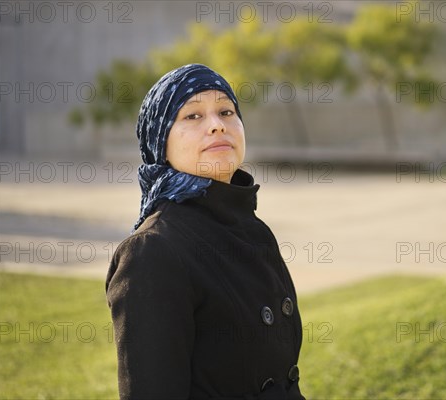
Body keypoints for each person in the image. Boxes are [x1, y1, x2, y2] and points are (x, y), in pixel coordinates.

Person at [105, 64, 305, 399]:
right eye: (192, 116)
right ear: (160, 142)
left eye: (226, 111)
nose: (216, 126)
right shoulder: (152, 252)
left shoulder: (254, 229)